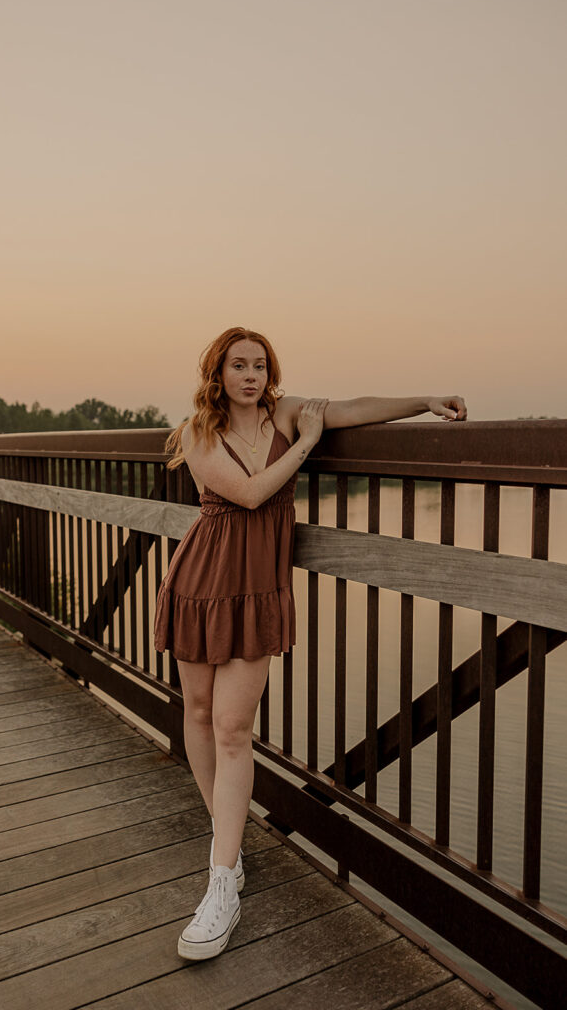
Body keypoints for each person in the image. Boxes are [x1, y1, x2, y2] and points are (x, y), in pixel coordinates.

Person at [153, 326, 467, 960]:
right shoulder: (198, 431)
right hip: (198, 580)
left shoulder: (289, 413)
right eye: (238, 366)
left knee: (234, 729)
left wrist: (424, 399)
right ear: (217, 373)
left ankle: (221, 882)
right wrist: (309, 447)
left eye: (260, 365)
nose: (251, 375)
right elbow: (247, 493)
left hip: (256, 587)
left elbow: (352, 408)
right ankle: (229, 845)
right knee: (198, 712)